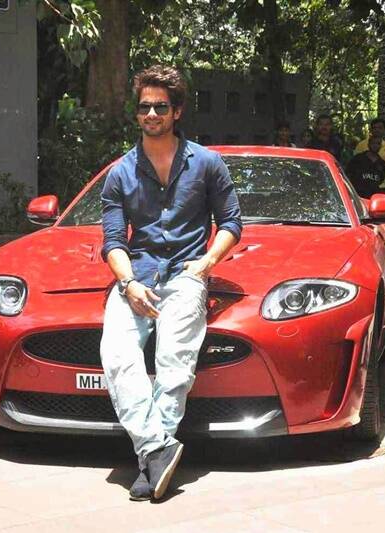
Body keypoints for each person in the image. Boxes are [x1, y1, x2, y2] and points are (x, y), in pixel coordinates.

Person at [100, 65, 242, 502]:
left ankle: (149, 457)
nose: (152, 114)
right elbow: (112, 241)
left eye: (161, 106)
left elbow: (232, 223)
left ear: (176, 111)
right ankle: (157, 449)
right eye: (145, 107)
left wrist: (204, 264)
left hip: (185, 274)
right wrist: (128, 284)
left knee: (174, 359)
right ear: (137, 113)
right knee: (118, 355)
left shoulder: (207, 163)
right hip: (136, 276)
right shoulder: (120, 172)